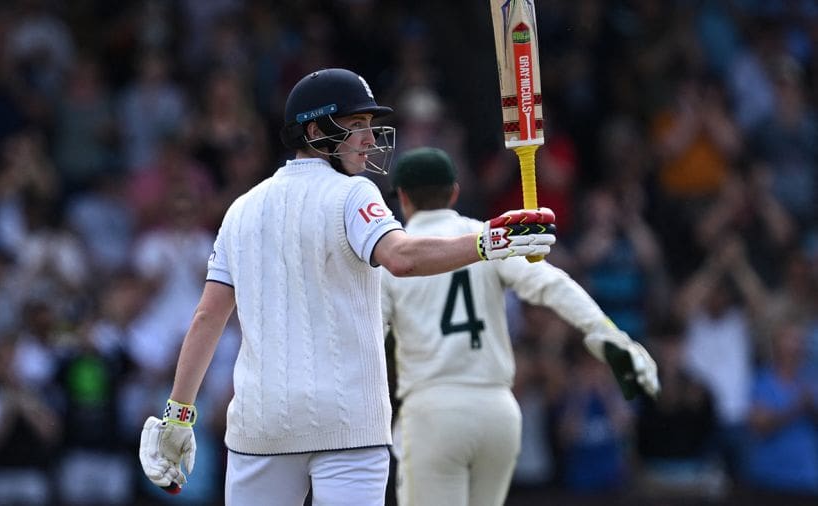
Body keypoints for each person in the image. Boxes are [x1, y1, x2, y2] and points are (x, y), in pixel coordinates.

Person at [137, 68, 557, 505]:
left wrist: (178, 415)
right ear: (316, 130)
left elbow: (208, 316)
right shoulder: (354, 194)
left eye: (370, 127)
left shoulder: (241, 209)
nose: (371, 140)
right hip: (349, 422)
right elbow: (402, 257)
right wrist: (491, 240)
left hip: (262, 425)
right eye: (357, 126)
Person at [380, 147, 661, 506]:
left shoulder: (395, 257)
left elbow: (368, 335)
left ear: (402, 197)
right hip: (497, 411)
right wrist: (607, 334)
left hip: (432, 410)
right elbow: (552, 284)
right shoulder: (485, 237)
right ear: (454, 192)